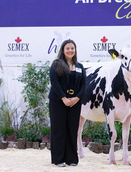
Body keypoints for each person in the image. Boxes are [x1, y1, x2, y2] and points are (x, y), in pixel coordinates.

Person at [48, 39, 86, 167]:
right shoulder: (56, 64)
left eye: (72, 48)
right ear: (63, 50)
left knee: (72, 130)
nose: (70, 50)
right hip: (58, 102)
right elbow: (54, 83)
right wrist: (63, 98)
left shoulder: (80, 67)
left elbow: (83, 85)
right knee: (59, 130)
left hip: (75, 103)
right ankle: (58, 159)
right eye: (67, 48)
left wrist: (77, 98)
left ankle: (72, 159)